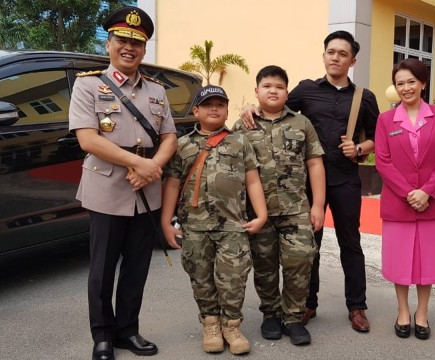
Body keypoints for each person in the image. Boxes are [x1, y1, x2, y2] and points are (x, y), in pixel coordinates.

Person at [241, 30, 379, 333]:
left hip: (345, 180)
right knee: (307, 246)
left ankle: (357, 306)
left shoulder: (363, 98)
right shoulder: (306, 89)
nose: (336, 57)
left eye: (343, 54)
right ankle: (307, 303)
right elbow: (276, 107)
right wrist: (249, 108)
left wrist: (358, 149)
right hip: (304, 183)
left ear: (352, 60)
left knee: (350, 243)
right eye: (331, 51)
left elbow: (378, 140)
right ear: (324, 55)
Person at [69, 6, 175, 360]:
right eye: (122, 40)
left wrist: (153, 166)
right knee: (102, 268)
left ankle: (128, 330)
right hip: (107, 186)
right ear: (109, 42)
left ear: (144, 49)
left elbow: (170, 137)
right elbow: (88, 140)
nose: (128, 47)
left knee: (136, 267)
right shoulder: (89, 84)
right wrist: (138, 163)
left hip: (146, 189)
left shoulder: (157, 90)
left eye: (137, 42)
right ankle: (102, 335)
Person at [160, 85, 267, 355]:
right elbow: (172, 185)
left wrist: (261, 214)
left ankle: (232, 325)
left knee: (234, 278)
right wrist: (165, 223)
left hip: (233, 226)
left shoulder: (240, 142)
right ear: (196, 110)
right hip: (194, 227)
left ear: (227, 109)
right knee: (201, 277)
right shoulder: (182, 145)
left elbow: (252, 179)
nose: (215, 108)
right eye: (208, 104)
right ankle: (210, 323)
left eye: (220, 103)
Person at [233, 65, 326, 345]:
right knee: (264, 265)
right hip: (258, 212)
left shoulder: (301, 123)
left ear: (287, 92)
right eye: (267, 86)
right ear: (257, 91)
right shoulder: (243, 125)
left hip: (296, 208)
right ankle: (271, 314)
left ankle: (293, 317)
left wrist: (318, 204)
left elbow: (315, 163)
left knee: (300, 261)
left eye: (279, 86)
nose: (273, 90)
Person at [374, 58, 435, 340]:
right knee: (401, 260)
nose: (406, 88)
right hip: (399, 203)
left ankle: (422, 312)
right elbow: (383, 162)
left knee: (427, 261)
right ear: (394, 87)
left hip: (433, 203)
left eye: (411, 81)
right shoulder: (386, 120)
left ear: (423, 83)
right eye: (400, 83)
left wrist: (427, 191)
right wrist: (409, 193)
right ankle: (402, 311)